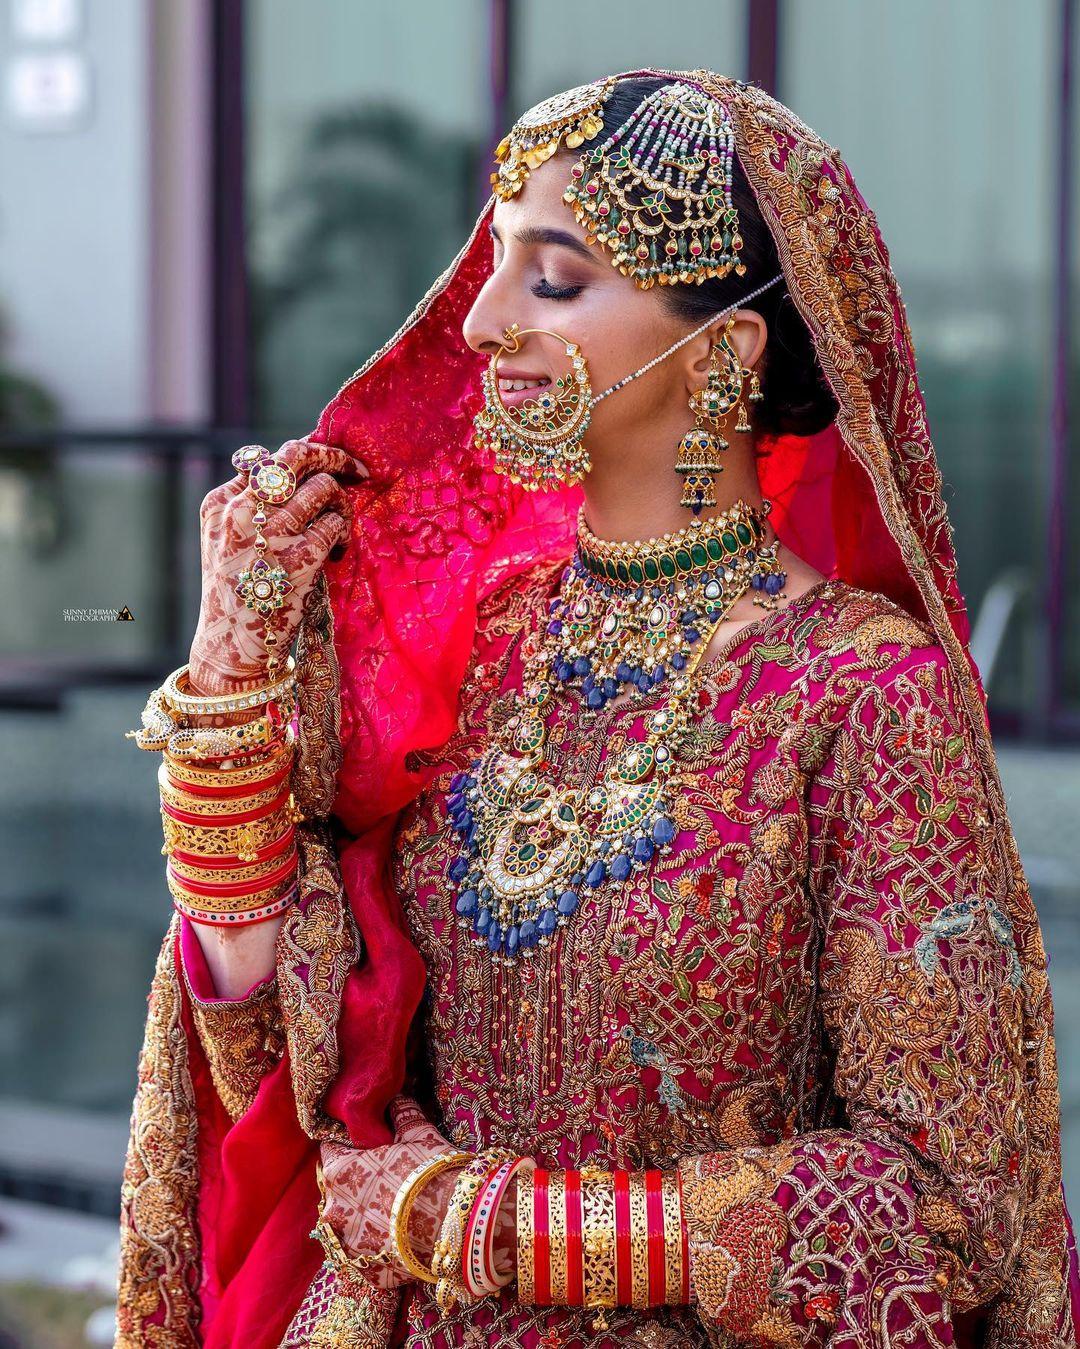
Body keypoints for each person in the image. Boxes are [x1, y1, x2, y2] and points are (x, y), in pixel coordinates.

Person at [115, 70, 1080, 1349]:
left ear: (726, 354)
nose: (482, 325)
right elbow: (269, 1068)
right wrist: (232, 666)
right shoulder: (476, 639)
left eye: (553, 280)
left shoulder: (862, 689)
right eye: (495, 267)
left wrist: (485, 1222)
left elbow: (944, 1207)